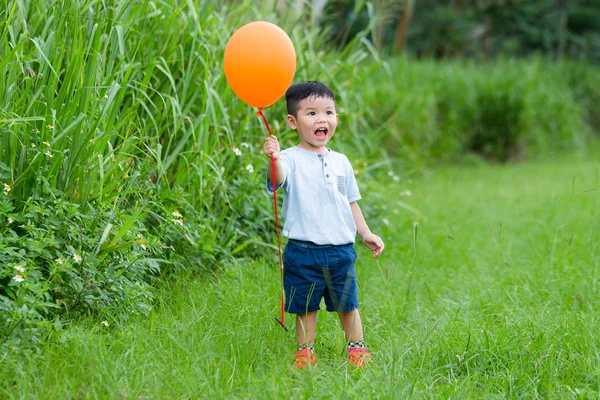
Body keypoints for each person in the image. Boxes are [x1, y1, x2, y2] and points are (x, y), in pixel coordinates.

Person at [263, 81, 385, 369]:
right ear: (293, 122)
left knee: (348, 303)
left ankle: (356, 348)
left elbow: (351, 202)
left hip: (341, 250)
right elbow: (277, 179)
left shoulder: (341, 162)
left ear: (336, 118)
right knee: (305, 307)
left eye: (328, 112)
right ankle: (305, 352)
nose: (322, 119)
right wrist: (274, 158)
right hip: (303, 251)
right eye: (312, 113)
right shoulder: (290, 159)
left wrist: (365, 232)